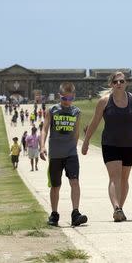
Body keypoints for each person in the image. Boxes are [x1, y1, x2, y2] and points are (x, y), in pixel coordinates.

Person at [82, 71, 132, 222]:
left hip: (129, 144)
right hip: (110, 144)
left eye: (122, 81)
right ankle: (116, 207)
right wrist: (86, 141)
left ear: (126, 83)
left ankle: (120, 209)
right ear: (111, 84)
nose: (119, 84)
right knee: (114, 177)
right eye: (116, 81)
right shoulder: (104, 102)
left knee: (124, 178)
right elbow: (94, 123)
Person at [40, 82, 88, 227]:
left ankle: (75, 213)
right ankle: (54, 214)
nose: (67, 102)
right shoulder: (52, 110)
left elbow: (76, 132)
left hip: (70, 154)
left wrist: (74, 147)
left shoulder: (76, 112)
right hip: (55, 154)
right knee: (55, 186)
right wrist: (42, 146)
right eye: (64, 99)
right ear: (59, 96)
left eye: (70, 98)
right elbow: (44, 129)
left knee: (75, 181)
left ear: (73, 96)